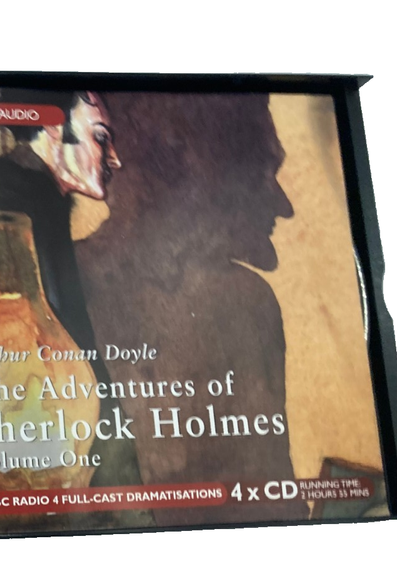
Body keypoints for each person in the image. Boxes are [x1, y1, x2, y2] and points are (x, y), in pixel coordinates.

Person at [73, 91, 306, 525]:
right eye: (260, 173)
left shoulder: (247, 301)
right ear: (199, 167)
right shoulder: (245, 302)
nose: (284, 205)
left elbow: (276, 501)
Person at [0, 88, 150, 531]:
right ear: (51, 128)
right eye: (100, 137)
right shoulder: (3, 197)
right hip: (15, 477)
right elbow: (23, 354)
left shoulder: (33, 196)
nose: (114, 157)